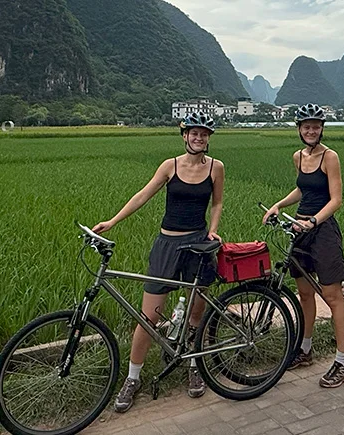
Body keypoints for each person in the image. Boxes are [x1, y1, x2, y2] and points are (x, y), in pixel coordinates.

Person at [92, 112, 225, 411]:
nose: (199, 138)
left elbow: (217, 202)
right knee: (148, 317)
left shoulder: (216, 167)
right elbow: (143, 195)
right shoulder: (170, 166)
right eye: (194, 133)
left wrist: (213, 230)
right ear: (185, 136)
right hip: (167, 245)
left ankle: (194, 365)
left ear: (208, 138)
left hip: (198, 245)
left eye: (204, 134)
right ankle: (133, 377)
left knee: (196, 313)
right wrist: (112, 221)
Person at [261, 103, 344, 388]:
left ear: (322, 129)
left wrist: (313, 221)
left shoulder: (330, 157)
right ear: (299, 129)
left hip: (322, 231)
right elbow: (303, 188)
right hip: (300, 230)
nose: (311, 131)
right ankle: (305, 349)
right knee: (304, 293)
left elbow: (336, 199)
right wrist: (279, 204)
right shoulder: (298, 157)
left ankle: (343, 363)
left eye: (316, 127)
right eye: (306, 127)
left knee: (332, 296)